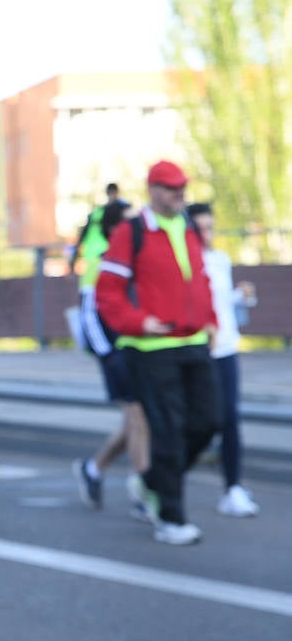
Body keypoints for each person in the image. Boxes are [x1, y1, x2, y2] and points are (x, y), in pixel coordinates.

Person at [96, 160, 219, 546]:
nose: (179, 193)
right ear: (152, 189)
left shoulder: (187, 226)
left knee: (208, 422)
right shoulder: (131, 232)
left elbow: (200, 278)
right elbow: (107, 292)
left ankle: (151, 483)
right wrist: (137, 322)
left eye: (182, 186)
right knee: (167, 432)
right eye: (170, 187)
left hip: (194, 343)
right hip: (150, 349)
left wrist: (211, 318)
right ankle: (171, 519)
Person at [71, 201, 151, 516]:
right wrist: (108, 353)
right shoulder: (100, 260)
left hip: (137, 347)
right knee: (138, 417)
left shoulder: (134, 254)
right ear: (115, 227)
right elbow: (89, 314)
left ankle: (93, 469)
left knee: (137, 420)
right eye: (129, 222)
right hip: (116, 352)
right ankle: (143, 492)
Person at [191, 202, 259, 517]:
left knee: (230, 418)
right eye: (199, 228)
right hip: (198, 351)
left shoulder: (220, 259)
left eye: (210, 227)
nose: (206, 234)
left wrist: (240, 294)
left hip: (226, 348)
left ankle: (232, 488)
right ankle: (156, 482)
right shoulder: (186, 261)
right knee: (201, 423)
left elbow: (221, 301)